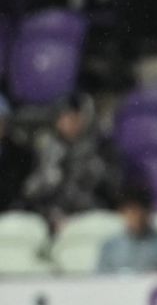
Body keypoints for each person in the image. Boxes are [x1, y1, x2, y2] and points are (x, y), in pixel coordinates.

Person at [18, 92, 121, 228]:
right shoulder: (46, 149)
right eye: (62, 118)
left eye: (72, 118)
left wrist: (95, 171)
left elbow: (114, 188)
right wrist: (47, 179)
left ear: (84, 118)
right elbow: (28, 192)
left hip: (90, 217)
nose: (66, 123)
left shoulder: (100, 148)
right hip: (51, 219)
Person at [97, 183, 157, 272]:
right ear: (122, 212)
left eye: (140, 210)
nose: (136, 217)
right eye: (131, 211)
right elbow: (100, 277)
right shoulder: (110, 246)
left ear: (149, 211)